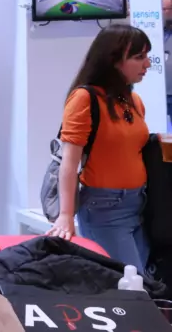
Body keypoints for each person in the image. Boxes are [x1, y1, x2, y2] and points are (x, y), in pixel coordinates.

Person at [47, 25, 154, 271]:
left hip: (139, 205)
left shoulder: (133, 101)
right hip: (105, 209)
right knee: (130, 284)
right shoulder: (85, 99)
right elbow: (69, 162)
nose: (147, 64)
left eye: (146, 56)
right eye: (139, 57)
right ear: (113, 60)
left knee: (141, 281)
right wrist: (66, 214)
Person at [163, 0, 171, 122]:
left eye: (166, 9)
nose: (163, 12)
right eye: (162, 9)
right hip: (160, 92)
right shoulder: (158, 31)